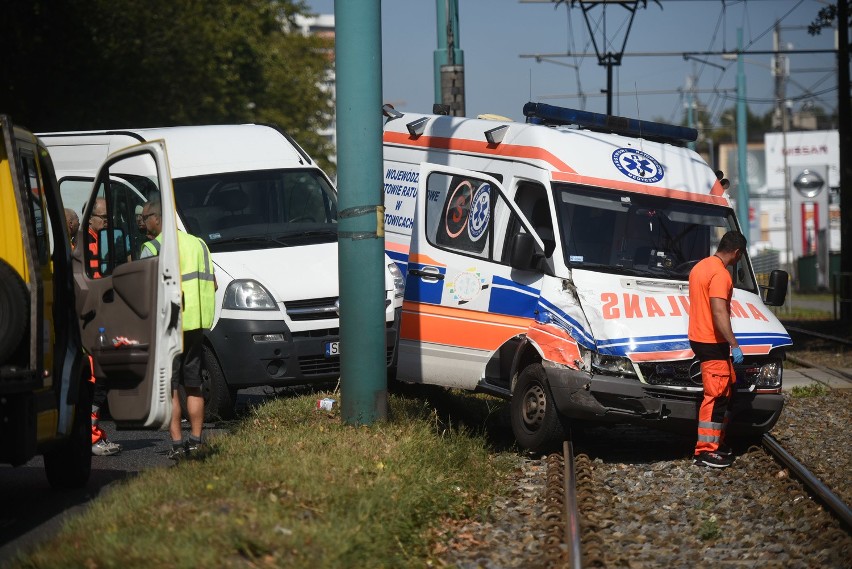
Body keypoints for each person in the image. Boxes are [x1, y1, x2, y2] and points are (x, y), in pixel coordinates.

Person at [141, 199, 216, 459]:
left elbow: (144, 293)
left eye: (145, 217)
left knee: (171, 387)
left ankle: (176, 445)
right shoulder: (199, 244)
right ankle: (196, 441)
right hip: (194, 325)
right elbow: (213, 285)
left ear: (157, 218)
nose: (143, 222)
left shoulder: (152, 248)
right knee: (194, 385)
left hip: (168, 329)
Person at [688, 230, 746, 469]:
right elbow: (719, 311)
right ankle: (705, 451)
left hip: (700, 338)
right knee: (716, 396)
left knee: (725, 390)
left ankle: (716, 444)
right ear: (737, 252)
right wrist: (734, 343)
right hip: (713, 341)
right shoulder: (721, 275)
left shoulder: (700, 267)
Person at [74, 200, 121, 456]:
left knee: (97, 380)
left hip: (91, 321)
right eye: (102, 217)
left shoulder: (89, 239)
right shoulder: (86, 244)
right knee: (95, 380)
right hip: (90, 323)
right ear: (89, 217)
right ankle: (91, 438)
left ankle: (92, 435)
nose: (106, 222)